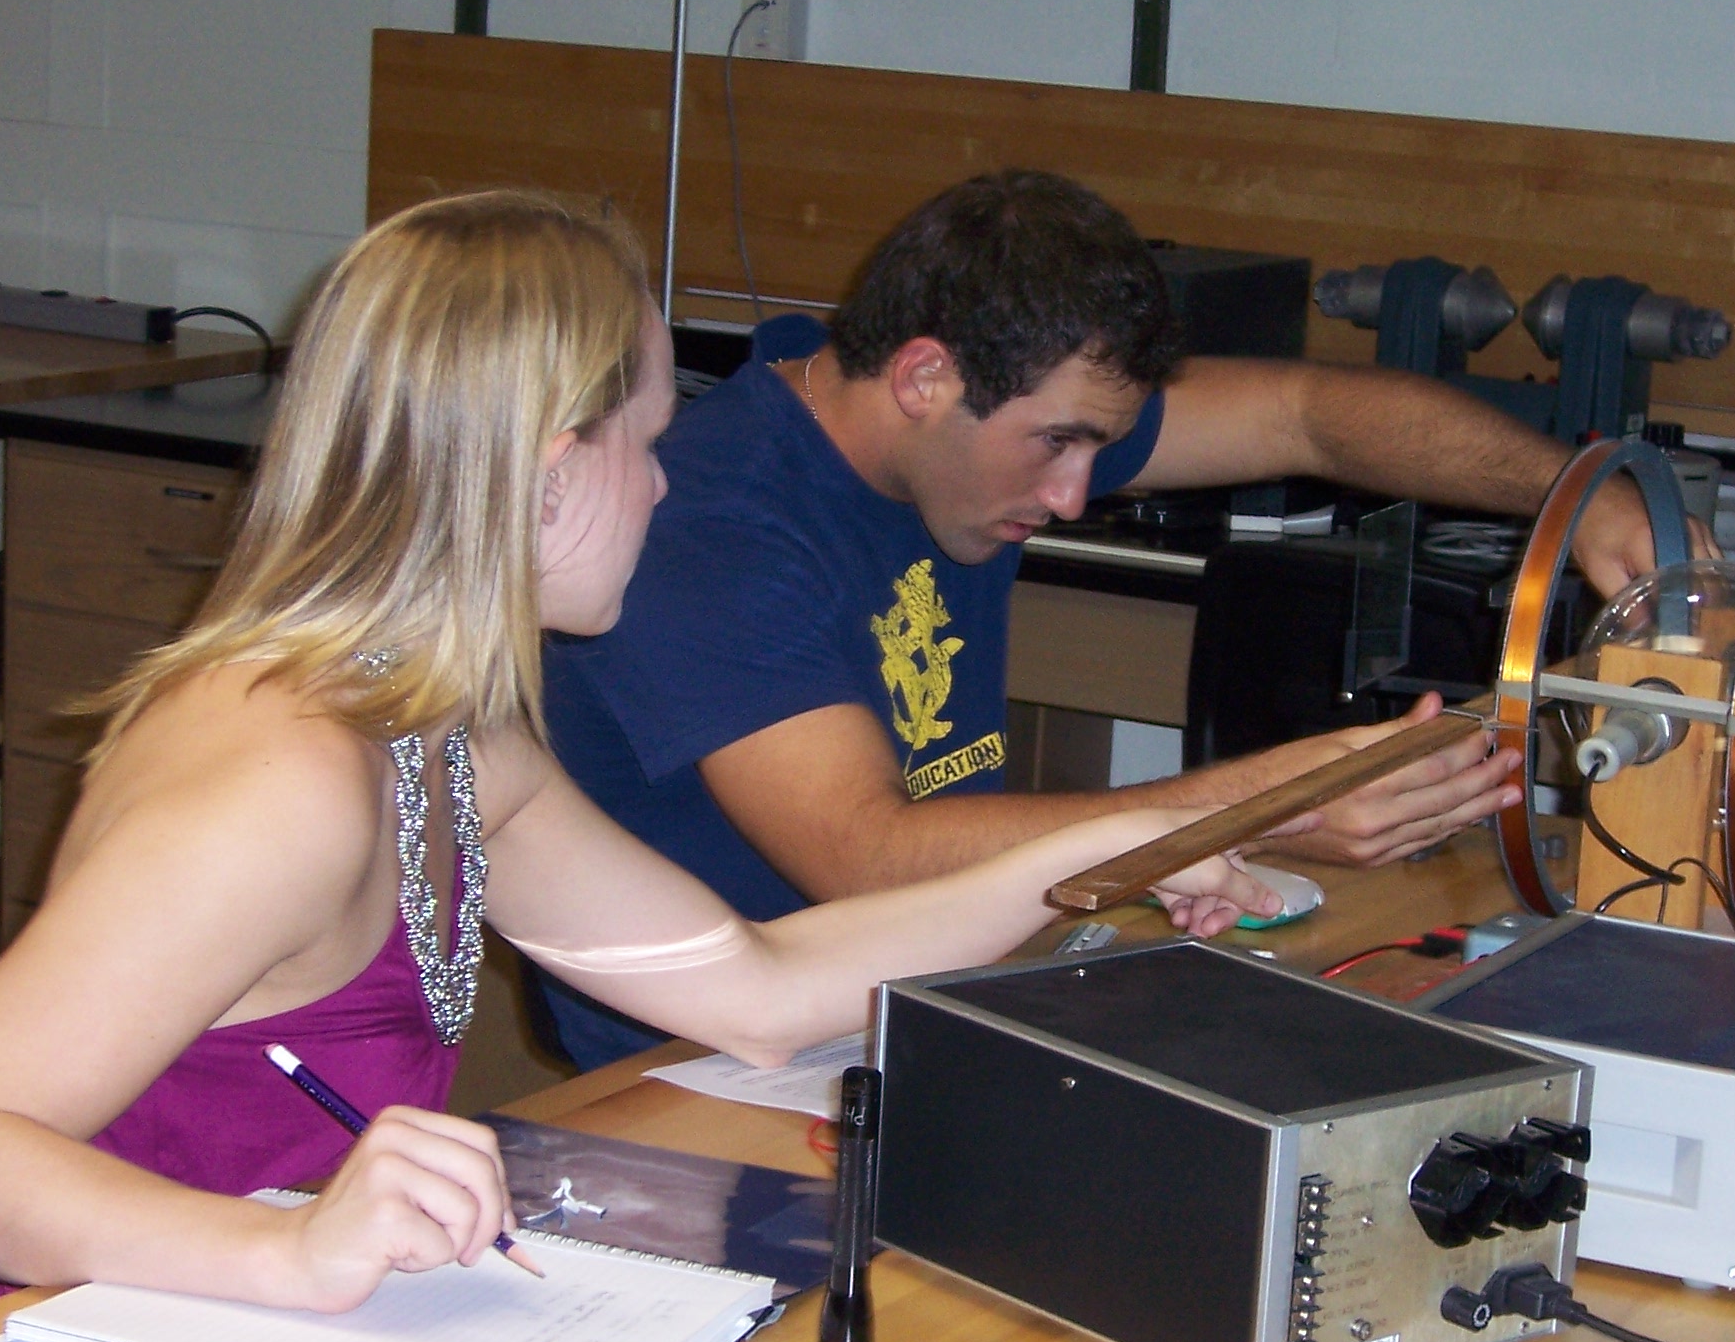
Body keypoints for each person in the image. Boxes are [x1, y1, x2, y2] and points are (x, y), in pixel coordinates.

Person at [0, 191, 1274, 1314]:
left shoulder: (448, 734)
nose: (668, 483)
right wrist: (283, 1258)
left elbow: (760, 988)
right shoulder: (277, 781)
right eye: (648, 443)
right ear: (545, 470)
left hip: (305, 1335)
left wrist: (1117, 855)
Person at [542, 170, 1677, 1065]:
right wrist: (1258, 809)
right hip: (706, 1072)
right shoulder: (710, 528)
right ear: (923, 377)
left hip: (921, 997)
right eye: (1056, 443)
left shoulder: (961, 425)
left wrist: (1570, 498)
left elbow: (1309, 414)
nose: (1076, 496)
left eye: (1097, 444)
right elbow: (867, 854)